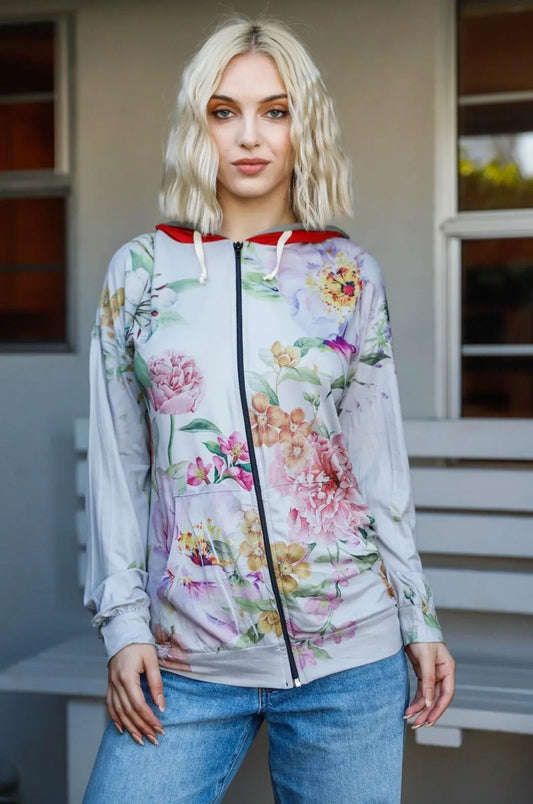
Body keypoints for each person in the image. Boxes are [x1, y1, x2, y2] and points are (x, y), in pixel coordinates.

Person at [83, 16, 455, 804]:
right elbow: (119, 466)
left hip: (350, 662)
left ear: (302, 126)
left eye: (274, 111)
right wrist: (123, 626)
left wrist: (418, 618)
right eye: (224, 112)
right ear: (198, 127)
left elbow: (377, 469)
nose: (249, 136)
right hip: (184, 664)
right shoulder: (140, 274)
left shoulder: (348, 274)